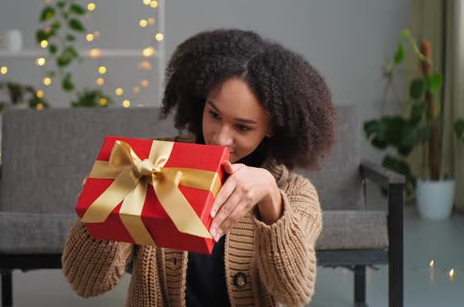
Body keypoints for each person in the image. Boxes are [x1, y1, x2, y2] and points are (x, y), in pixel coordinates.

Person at [62, 28, 335, 307]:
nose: (219, 138)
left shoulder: (295, 193)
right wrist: (101, 212)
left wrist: (271, 201)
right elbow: (86, 284)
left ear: (272, 128)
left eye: (242, 127)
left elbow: (294, 294)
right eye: (214, 114)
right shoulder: (149, 165)